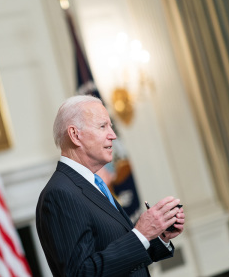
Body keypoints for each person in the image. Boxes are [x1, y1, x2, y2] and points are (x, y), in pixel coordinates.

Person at [36, 95, 185, 276]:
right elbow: (81, 273)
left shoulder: (94, 184)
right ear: (75, 135)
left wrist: (158, 235)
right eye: (102, 126)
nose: (113, 136)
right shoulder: (60, 194)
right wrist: (141, 233)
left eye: (111, 127)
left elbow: (118, 252)